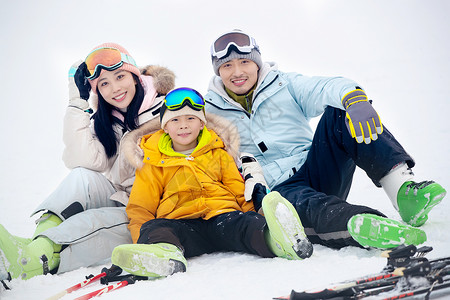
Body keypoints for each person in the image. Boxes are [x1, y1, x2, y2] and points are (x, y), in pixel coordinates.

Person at [204, 29, 446, 250]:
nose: (237, 72)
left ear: (257, 63)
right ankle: (363, 224)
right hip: (276, 190)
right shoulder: (209, 111)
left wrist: (354, 98)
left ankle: (403, 193)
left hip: (316, 168)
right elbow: (178, 129)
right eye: (227, 66)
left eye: (244, 62)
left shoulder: (283, 84)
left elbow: (324, 87)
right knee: (308, 208)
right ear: (218, 71)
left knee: (340, 111)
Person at [0, 43, 175, 280]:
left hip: (151, 211)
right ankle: (33, 247)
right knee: (81, 177)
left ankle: (35, 261)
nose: (114, 88)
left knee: (92, 222)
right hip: (121, 196)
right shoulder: (109, 121)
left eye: (120, 76)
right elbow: (80, 159)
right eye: (103, 83)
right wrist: (77, 103)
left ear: (135, 77)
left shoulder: (169, 108)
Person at [109, 87, 313, 278]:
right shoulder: (153, 162)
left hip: (223, 217)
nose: (183, 125)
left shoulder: (218, 154)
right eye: (175, 120)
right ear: (165, 127)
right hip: (183, 225)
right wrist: (142, 239)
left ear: (201, 124)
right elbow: (140, 207)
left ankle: (277, 240)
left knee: (247, 224)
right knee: (155, 227)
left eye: (191, 118)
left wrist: (252, 215)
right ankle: (161, 255)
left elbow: (239, 191)